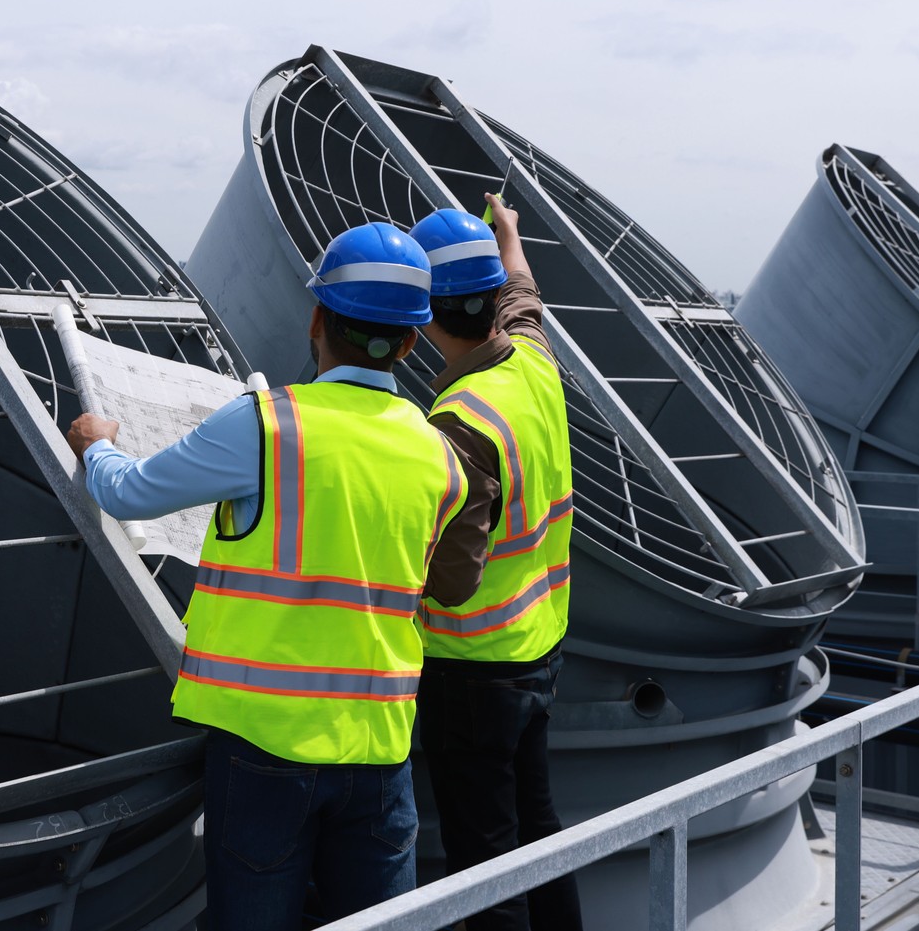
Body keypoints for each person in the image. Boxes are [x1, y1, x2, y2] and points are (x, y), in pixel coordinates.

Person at [64, 221, 494, 930]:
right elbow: (447, 577)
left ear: (318, 318)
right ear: (412, 340)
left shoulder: (265, 424)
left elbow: (128, 494)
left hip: (263, 748)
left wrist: (96, 445)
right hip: (380, 751)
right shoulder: (440, 452)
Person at [408, 195, 582, 931]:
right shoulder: (533, 361)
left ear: (423, 317)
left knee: (483, 860)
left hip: (472, 667)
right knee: (537, 827)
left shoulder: (461, 421)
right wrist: (507, 231)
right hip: (539, 646)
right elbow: (525, 294)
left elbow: (451, 580)